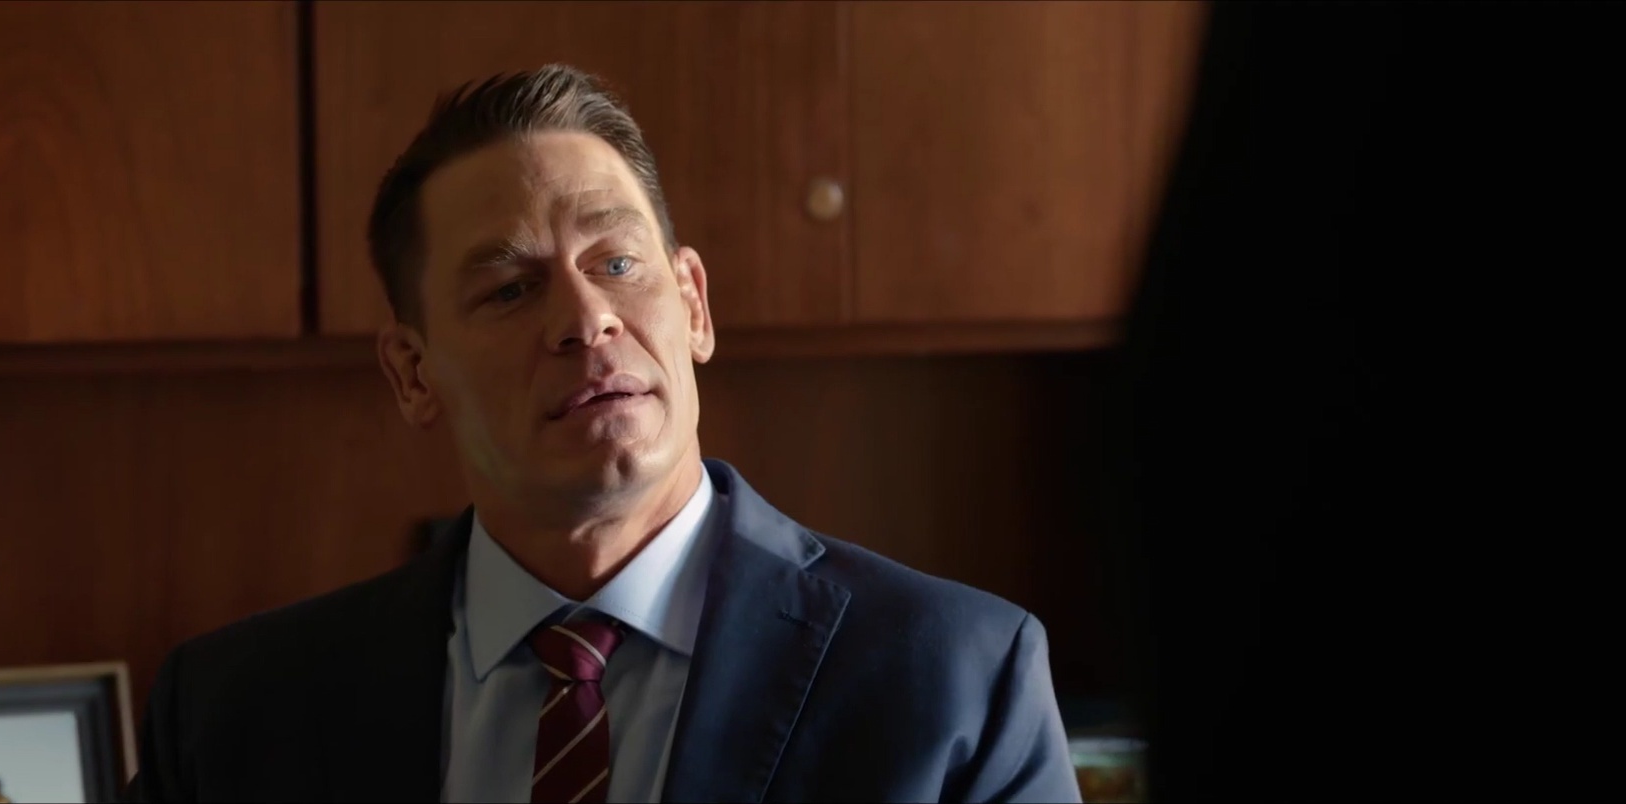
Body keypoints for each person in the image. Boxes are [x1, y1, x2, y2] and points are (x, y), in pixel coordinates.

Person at [125, 64, 1078, 803]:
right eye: (511, 289)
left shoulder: (954, 678)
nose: (586, 321)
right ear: (413, 373)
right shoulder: (234, 714)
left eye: (617, 263)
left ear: (692, 304)